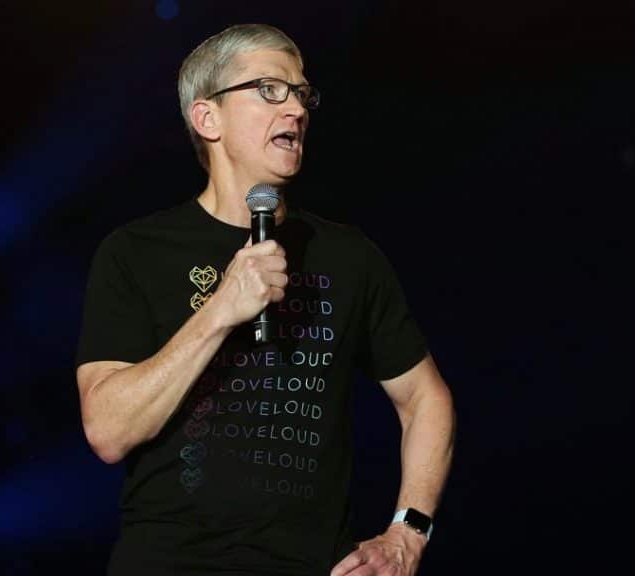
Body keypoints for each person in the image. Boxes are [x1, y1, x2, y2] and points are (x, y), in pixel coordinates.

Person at [75, 23, 455, 576]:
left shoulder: (346, 256)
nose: (296, 110)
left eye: (302, 94)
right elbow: (108, 431)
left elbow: (426, 399)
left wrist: (408, 534)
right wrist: (220, 309)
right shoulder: (136, 252)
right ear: (208, 118)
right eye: (270, 90)